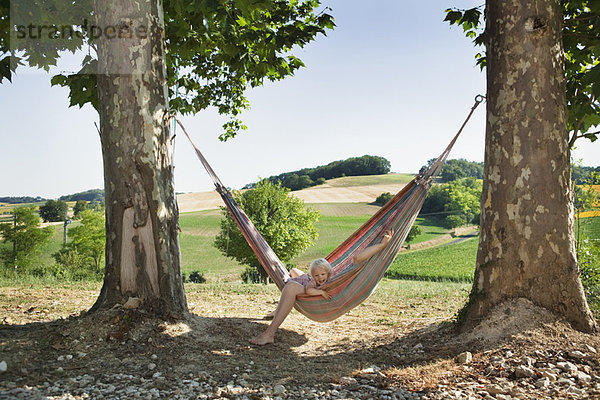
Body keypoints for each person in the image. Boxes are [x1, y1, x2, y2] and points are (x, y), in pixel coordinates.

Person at [249, 229, 394, 345]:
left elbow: (356, 258)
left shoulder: (347, 274)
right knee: (293, 272)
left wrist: (382, 245)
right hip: (308, 280)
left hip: (309, 287)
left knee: (290, 287)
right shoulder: (340, 272)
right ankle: (280, 308)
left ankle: (269, 333)